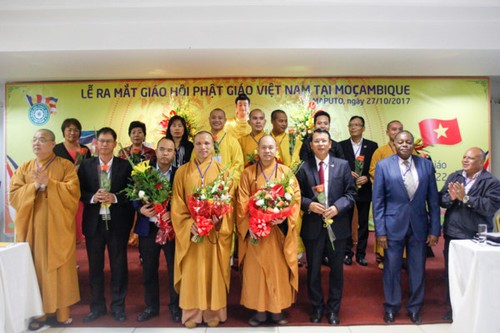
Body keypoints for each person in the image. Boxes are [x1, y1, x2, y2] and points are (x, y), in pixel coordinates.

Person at [10, 129, 80, 329]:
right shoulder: (25, 168)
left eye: (42, 140)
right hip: (32, 226)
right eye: (34, 140)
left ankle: (61, 313)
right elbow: (14, 195)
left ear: (52, 144)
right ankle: (38, 314)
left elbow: (73, 192)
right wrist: (33, 186)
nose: (36, 143)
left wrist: (50, 183)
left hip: (57, 226)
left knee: (57, 267)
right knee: (34, 267)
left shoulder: (65, 166)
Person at [372, 130, 440, 325]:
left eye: (408, 142)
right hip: (392, 226)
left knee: (417, 268)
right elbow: (378, 202)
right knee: (391, 269)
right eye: (400, 142)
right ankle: (391, 307)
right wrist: (380, 231)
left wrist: (435, 229)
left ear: (413, 145)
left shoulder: (426, 165)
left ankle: (415, 308)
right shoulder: (384, 166)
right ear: (394, 143)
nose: (404, 145)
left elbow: (433, 201)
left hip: (419, 226)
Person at [171, 131, 234, 328]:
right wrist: (191, 225)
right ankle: (191, 315)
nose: (202, 147)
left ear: (212, 145)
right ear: (194, 146)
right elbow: (177, 203)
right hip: (192, 233)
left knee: (213, 272)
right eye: (198, 143)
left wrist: (218, 218)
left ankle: (213, 312)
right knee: (192, 273)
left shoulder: (223, 171)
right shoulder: (182, 172)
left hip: (214, 233)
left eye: (206, 143)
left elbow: (228, 201)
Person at [237, 135, 301, 326]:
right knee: (256, 273)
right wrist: (251, 225)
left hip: (277, 233)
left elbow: (295, 199)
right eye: (263, 147)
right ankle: (259, 312)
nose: (267, 151)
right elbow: (241, 201)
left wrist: (284, 217)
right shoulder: (248, 173)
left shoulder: (286, 172)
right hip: (256, 233)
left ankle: (277, 310)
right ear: (258, 150)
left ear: (276, 150)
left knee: (278, 271)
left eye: (270, 147)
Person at [296, 129, 356, 325]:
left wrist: (337, 208)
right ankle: (317, 307)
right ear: (311, 145)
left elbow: (351, 193)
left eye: (324, 141)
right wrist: (309, 205)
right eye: (316, 141)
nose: (320, 144)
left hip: (337, 226)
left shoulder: (342, 165)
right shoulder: (303, 167)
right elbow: (296, 195)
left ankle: (333, 309)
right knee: (313, 270)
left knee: (336, 270)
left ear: (330, 144)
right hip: (313, 226)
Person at [78, 127, 135, 323]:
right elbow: (79, 191)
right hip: (94, 224)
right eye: (101, 141)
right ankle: (97, 307)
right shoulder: (86, 166)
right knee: (95, 267)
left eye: (108, 141)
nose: (104, 144)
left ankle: (118, 307)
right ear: (95, 143)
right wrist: (93, 197)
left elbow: (131, 192)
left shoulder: (125, 166)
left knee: (119, 267)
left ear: (114, 143)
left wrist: (115, 197)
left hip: (117, 223)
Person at [439, 147, 500, 320]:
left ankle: (473, 310)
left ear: (481, 162)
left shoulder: (491, 181)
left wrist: (465, 198)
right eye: (464, 157)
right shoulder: (455, 176)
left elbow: (490, 207)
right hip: (453, 233)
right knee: (452, 272)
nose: (465, 160)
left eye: (471, 158)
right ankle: (452, 309)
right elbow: (441, 200)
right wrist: (450, 198)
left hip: (476, 235)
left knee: (473, 275)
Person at [134, 138, 181, 323]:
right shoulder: (144, 172)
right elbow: (133, 196)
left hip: (171, 229)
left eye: (169, 150)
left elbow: (184, 200)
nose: (165, 153)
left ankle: (175, 306)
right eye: (162, 149)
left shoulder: (179, 174)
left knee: (174, 270)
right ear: (156, 150)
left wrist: (173, 213)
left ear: (174, 153)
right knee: (149, 270)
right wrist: (140, 209)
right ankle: (151, 306)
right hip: (149, 228)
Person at [339, 116, 378, 266]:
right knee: (346, 222)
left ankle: (361, 254)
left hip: (364, 190)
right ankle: (347, 253)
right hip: (346, 190)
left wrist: (368, 177)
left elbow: (376, 167)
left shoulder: (372, 146)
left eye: (357, 125)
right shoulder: (341, 145)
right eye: (351, 125)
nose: (354, 127)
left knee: (363, 223)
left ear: (363, 128)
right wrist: (347, 173)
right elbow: (337, 165)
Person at [369, 120, 404, 269]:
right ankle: (382, 256)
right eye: (393, 129)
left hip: (404, 198)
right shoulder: (380, 151)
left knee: (403, 226)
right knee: (384, 226)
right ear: (387, 132)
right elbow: (372, 171)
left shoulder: (410, 150)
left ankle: (403, 257)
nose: (396, 132)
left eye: (399, 129)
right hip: (387, 196)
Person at [53, 118, 91, 244]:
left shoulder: (85, 150)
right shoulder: (56, 149)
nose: (72, 133)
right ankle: (67, 260)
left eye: (76, 130)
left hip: (80, 192)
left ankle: (74, 254)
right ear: (63, 131)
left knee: (78, 224)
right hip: (63, 192)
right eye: (69, 129)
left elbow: (89, 170)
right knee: (64, 225)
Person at [118, 121, 156, 248]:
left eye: (140, 132)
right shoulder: (122, 153)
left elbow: (154, 171)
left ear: (144, 135)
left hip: (145, 191)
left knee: (143, 220)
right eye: (133, 132)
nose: (136, 135)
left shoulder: (151, 153)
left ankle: (142, 249)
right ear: (129, 135)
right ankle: (127, 241)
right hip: (127, 190)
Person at [208, 108, 244, 182]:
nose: (216, 120)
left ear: (225, 121)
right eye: (213, 117)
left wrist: (225, 176)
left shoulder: (232, 141)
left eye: (220, 118)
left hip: (227, 182)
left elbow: (238, 164)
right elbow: (195, 161)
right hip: (206, 180)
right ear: (209, 120)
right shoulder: (202, 140)